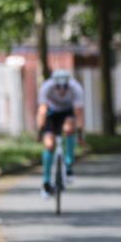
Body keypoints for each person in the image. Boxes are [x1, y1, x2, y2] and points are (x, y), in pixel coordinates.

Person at [36, 69, 84, 198]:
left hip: (67, 112)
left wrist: (79, 134)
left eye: (65, 87)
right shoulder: (46, 87)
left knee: (69, 127)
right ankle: (46, 181)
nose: (62, 91)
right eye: (58, 87)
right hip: (51, 113)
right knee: (49, 144)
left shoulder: (76, 88)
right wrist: (40, 132)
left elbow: (79, 112)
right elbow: (41, 111)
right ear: (53, 84)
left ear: (69, 84)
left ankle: (69, 163)